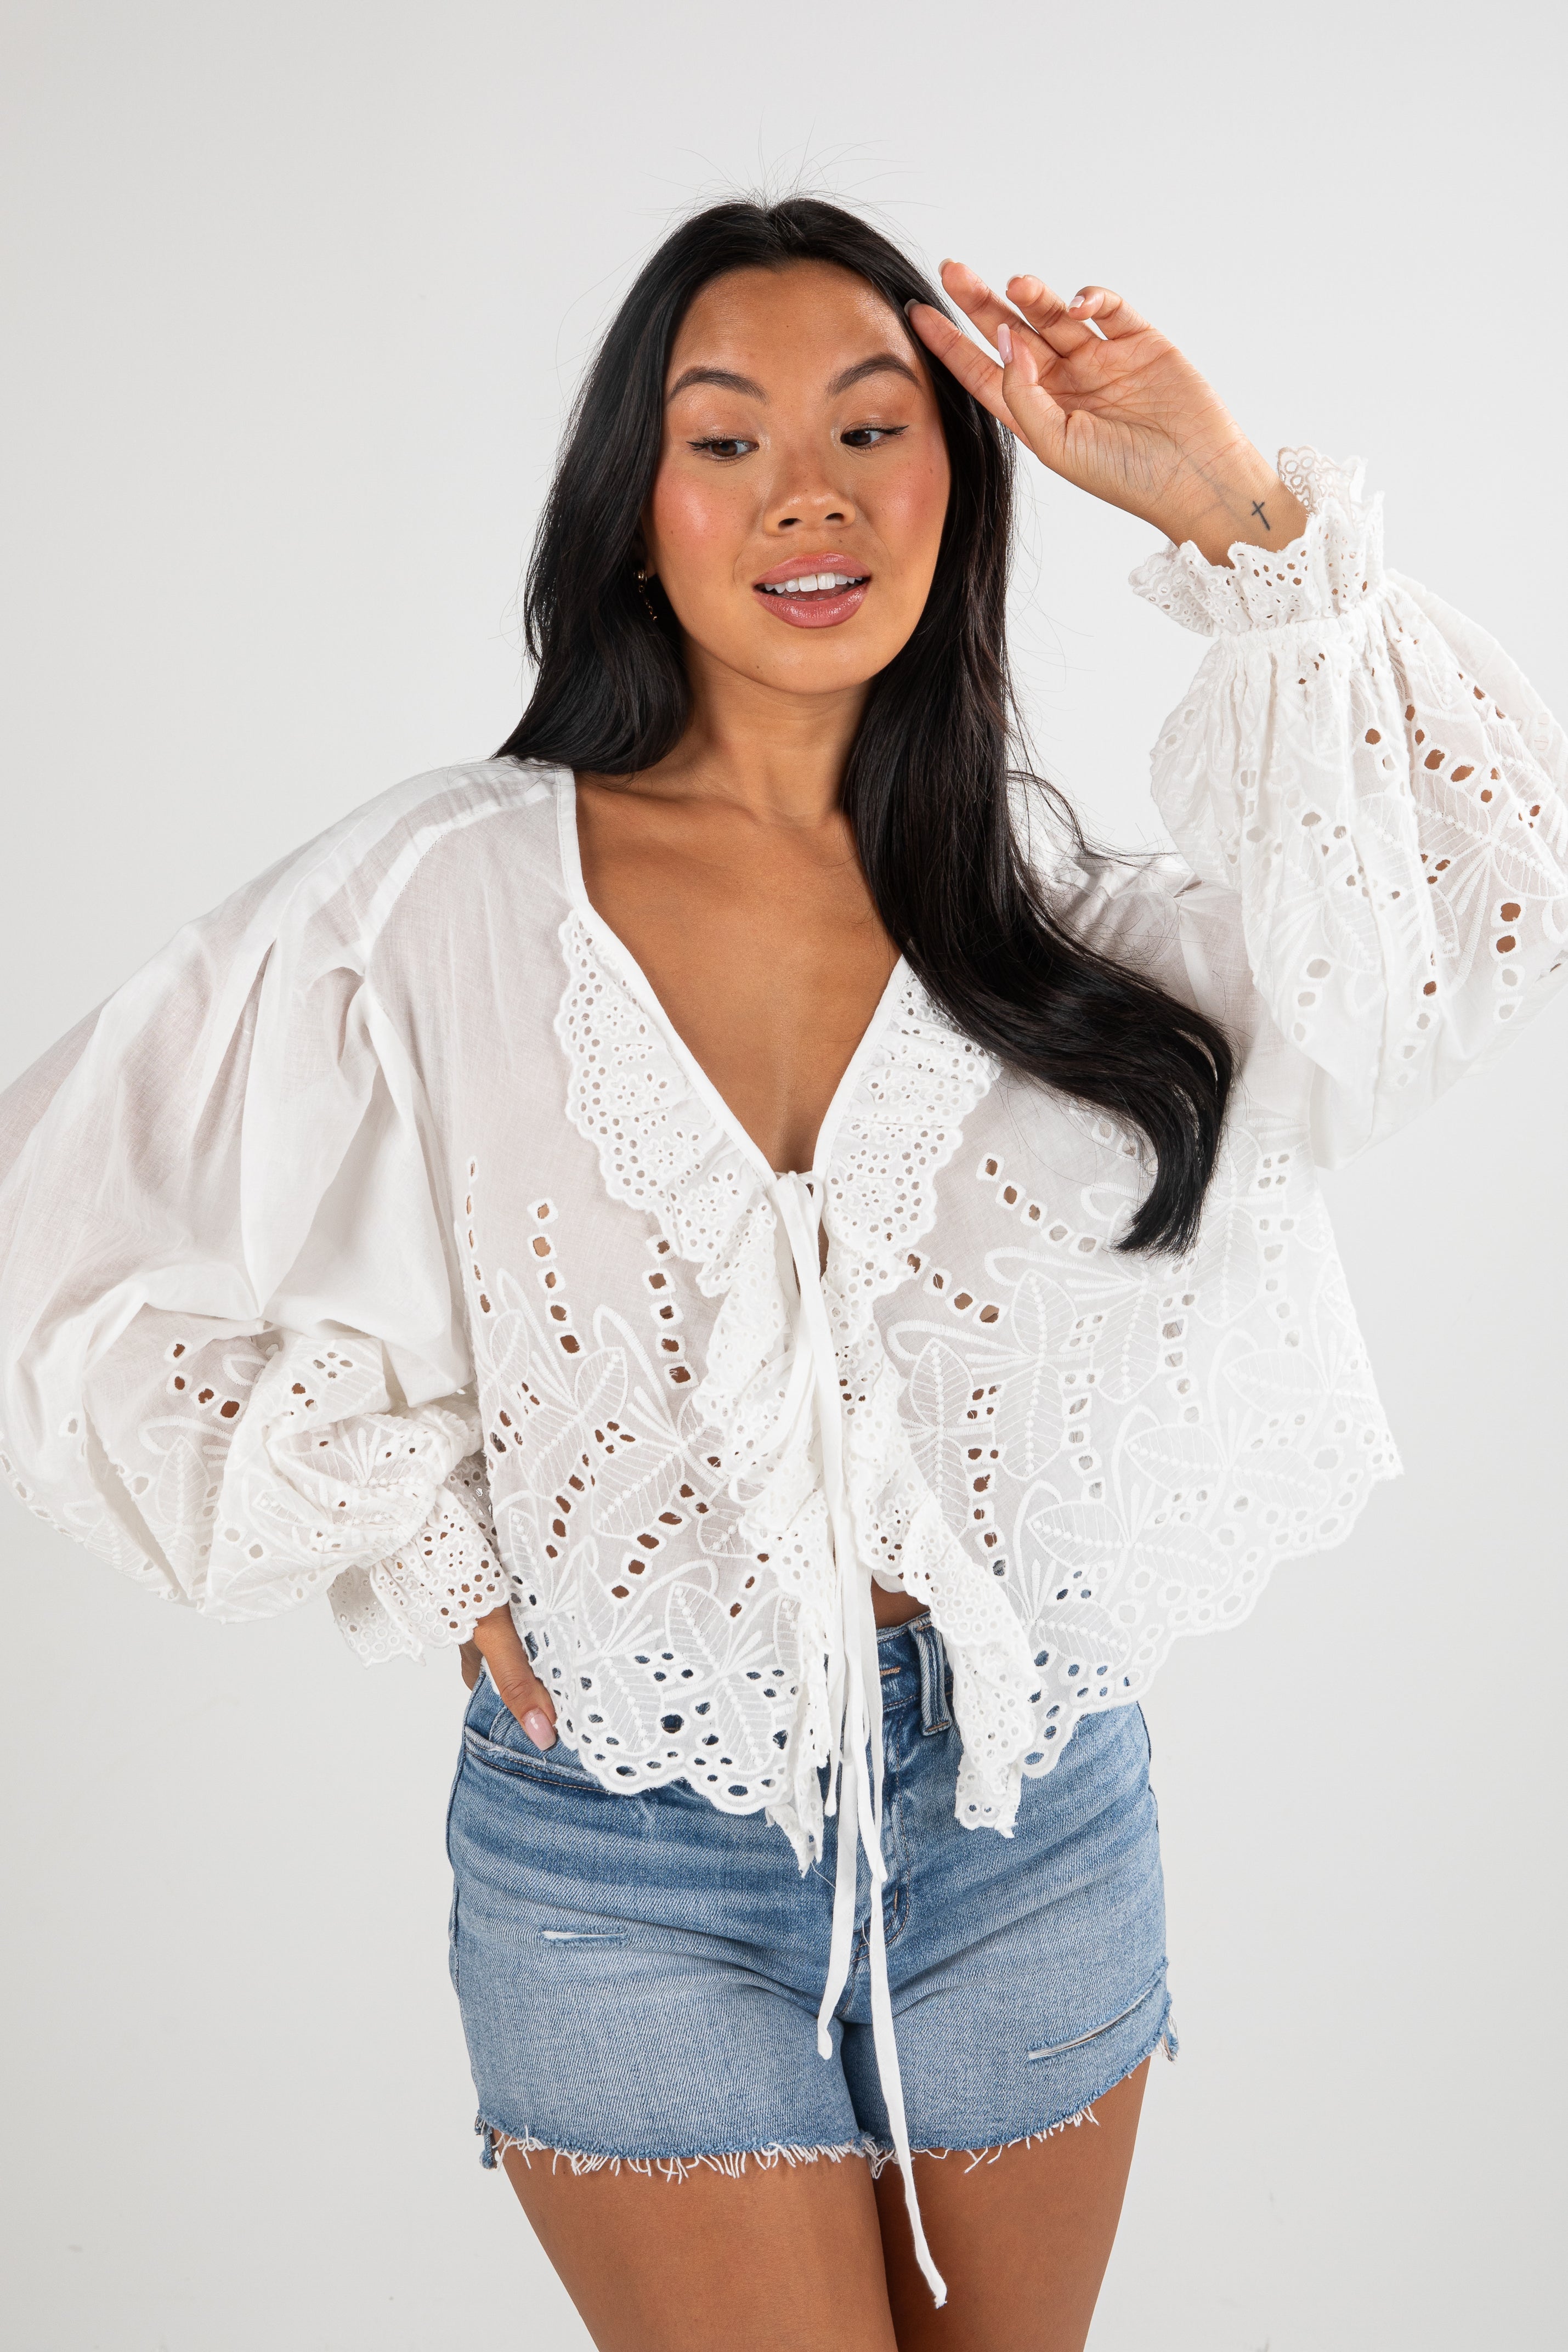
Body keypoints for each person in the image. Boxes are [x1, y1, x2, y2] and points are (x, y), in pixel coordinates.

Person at [2, 195, 1563, 2352]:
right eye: (722, 438)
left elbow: (1458, 919)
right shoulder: (442, 894)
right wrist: (435, 1537)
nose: (806, 492)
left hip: (1031, 1821)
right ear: (631, 512)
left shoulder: (1053, 919)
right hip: (624, 1858)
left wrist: (1235, 510)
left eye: (872, 426)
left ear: (958, 479)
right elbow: (67, 1229)